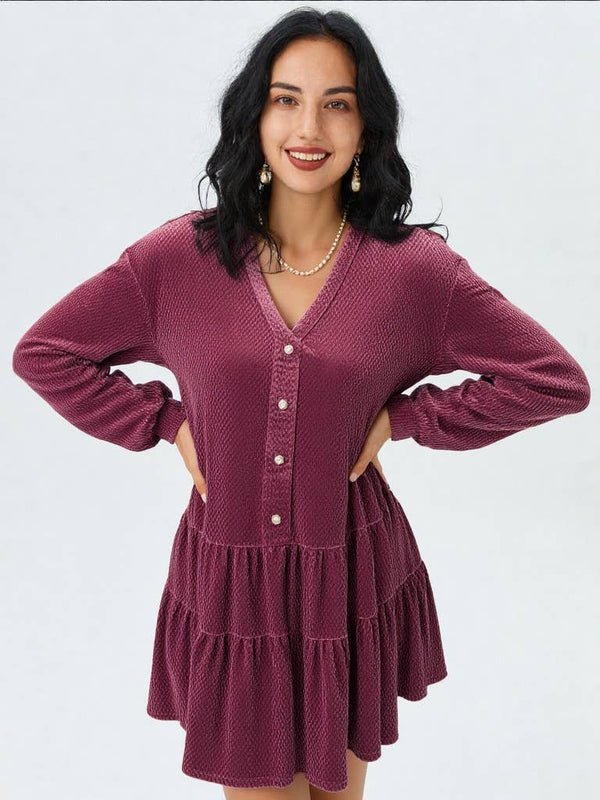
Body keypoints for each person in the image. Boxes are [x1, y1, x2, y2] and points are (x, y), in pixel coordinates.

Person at [11, 8, 591, 800]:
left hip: (347, 571)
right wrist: (166, 424)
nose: (308, 127)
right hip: (234, 579)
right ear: (255, 115)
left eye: (336, 104)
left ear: (366, 128)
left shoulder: (415, 273)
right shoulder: (177, 260)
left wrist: (407, 419)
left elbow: (553, 380)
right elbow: (46, 354)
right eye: (286, 99)